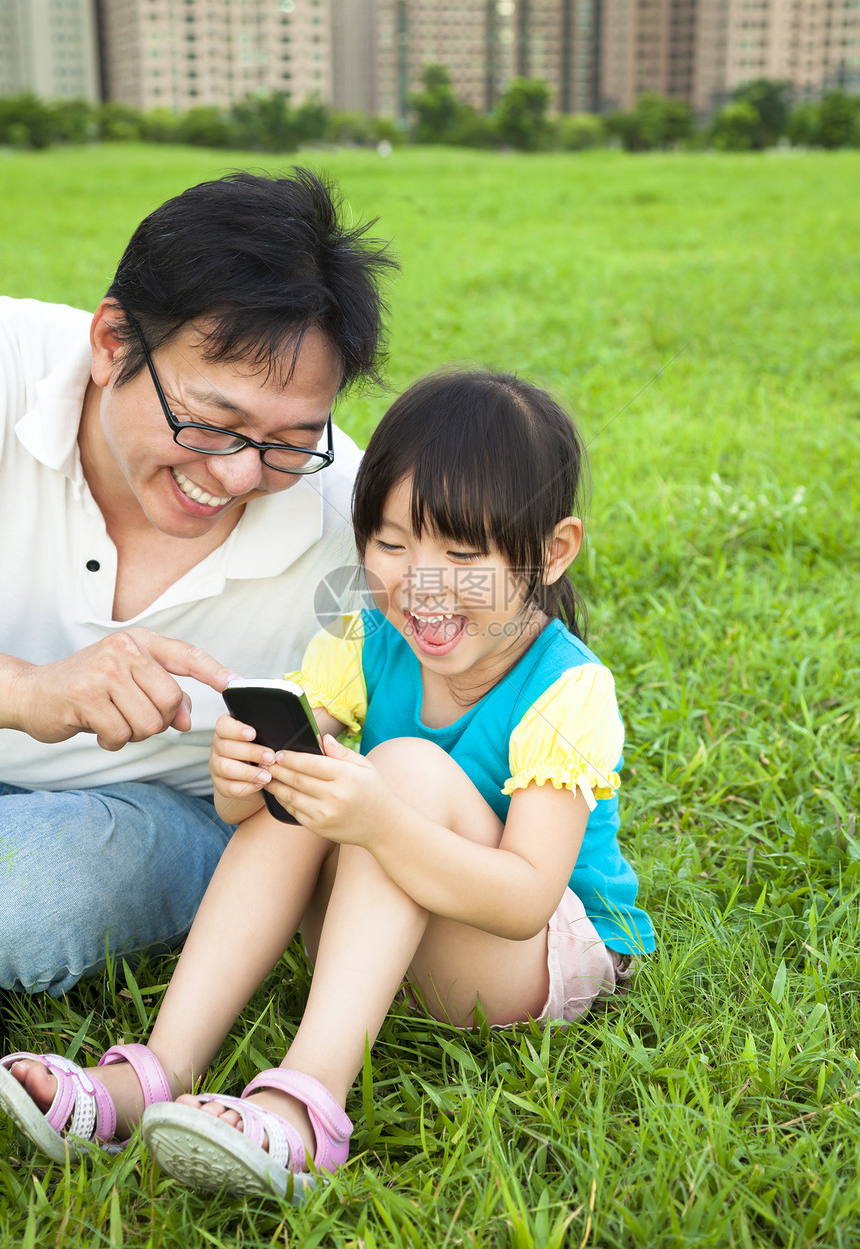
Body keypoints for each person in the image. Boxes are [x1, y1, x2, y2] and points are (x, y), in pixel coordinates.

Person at [0, 370, 655, 1198]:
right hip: (379, 936)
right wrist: (241, 775)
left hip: (526, 959)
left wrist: (381, 821)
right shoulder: (365, 637)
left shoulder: (568, 688)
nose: (421, 584)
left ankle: (305, 1106)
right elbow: (263, 815)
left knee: (400, 772)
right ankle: (153, 1072)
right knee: (308, 763)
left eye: (462, 554)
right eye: (390, 544)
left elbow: (526, 898)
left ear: (552, 551)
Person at [0, 168, 395, 997]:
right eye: (211, 422)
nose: (242, 472)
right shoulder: (9, 367)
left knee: (32, 891)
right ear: (113, 344)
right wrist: (28, 690)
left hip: (149, 821)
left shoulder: (358, 523)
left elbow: (502, 672)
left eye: (292, 439)